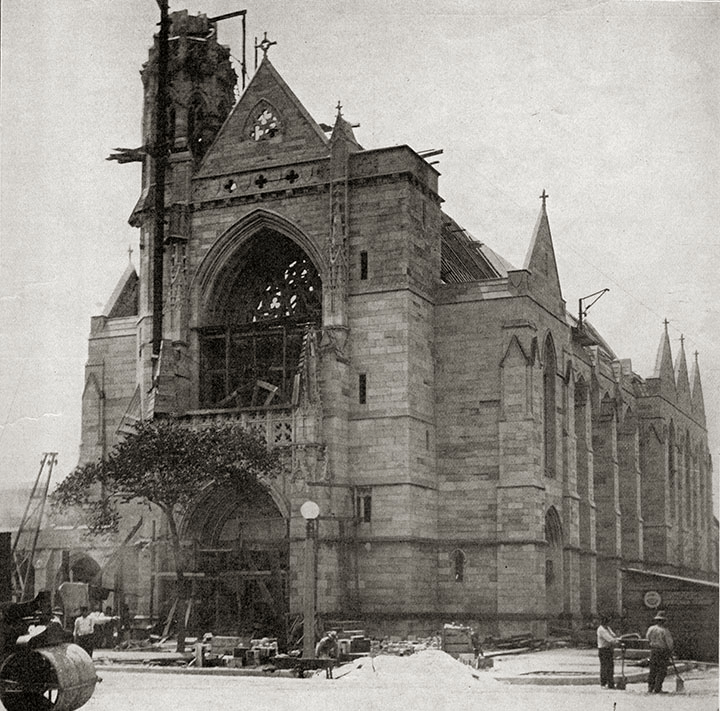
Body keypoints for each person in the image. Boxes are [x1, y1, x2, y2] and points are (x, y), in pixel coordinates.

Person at [646, 612, 674, 693]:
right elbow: (669, 643)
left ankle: (650, 687)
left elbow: (647, 637)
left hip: (653, 650)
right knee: (662, 670)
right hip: (662, 651)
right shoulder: (665, 631)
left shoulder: (651, 629)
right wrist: (671, 651)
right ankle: (658, 688)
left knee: (653, 669)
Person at [596, 615, 620, 689]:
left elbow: (613, 635)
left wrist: (616, 638)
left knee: (610, 667)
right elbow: (609, 639)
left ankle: (610, 683)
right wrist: (616, 641)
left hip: (609, 649)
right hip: (603, 650)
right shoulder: (601, 629)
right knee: (604, 667)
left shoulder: (607, 628)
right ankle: (603, 683)